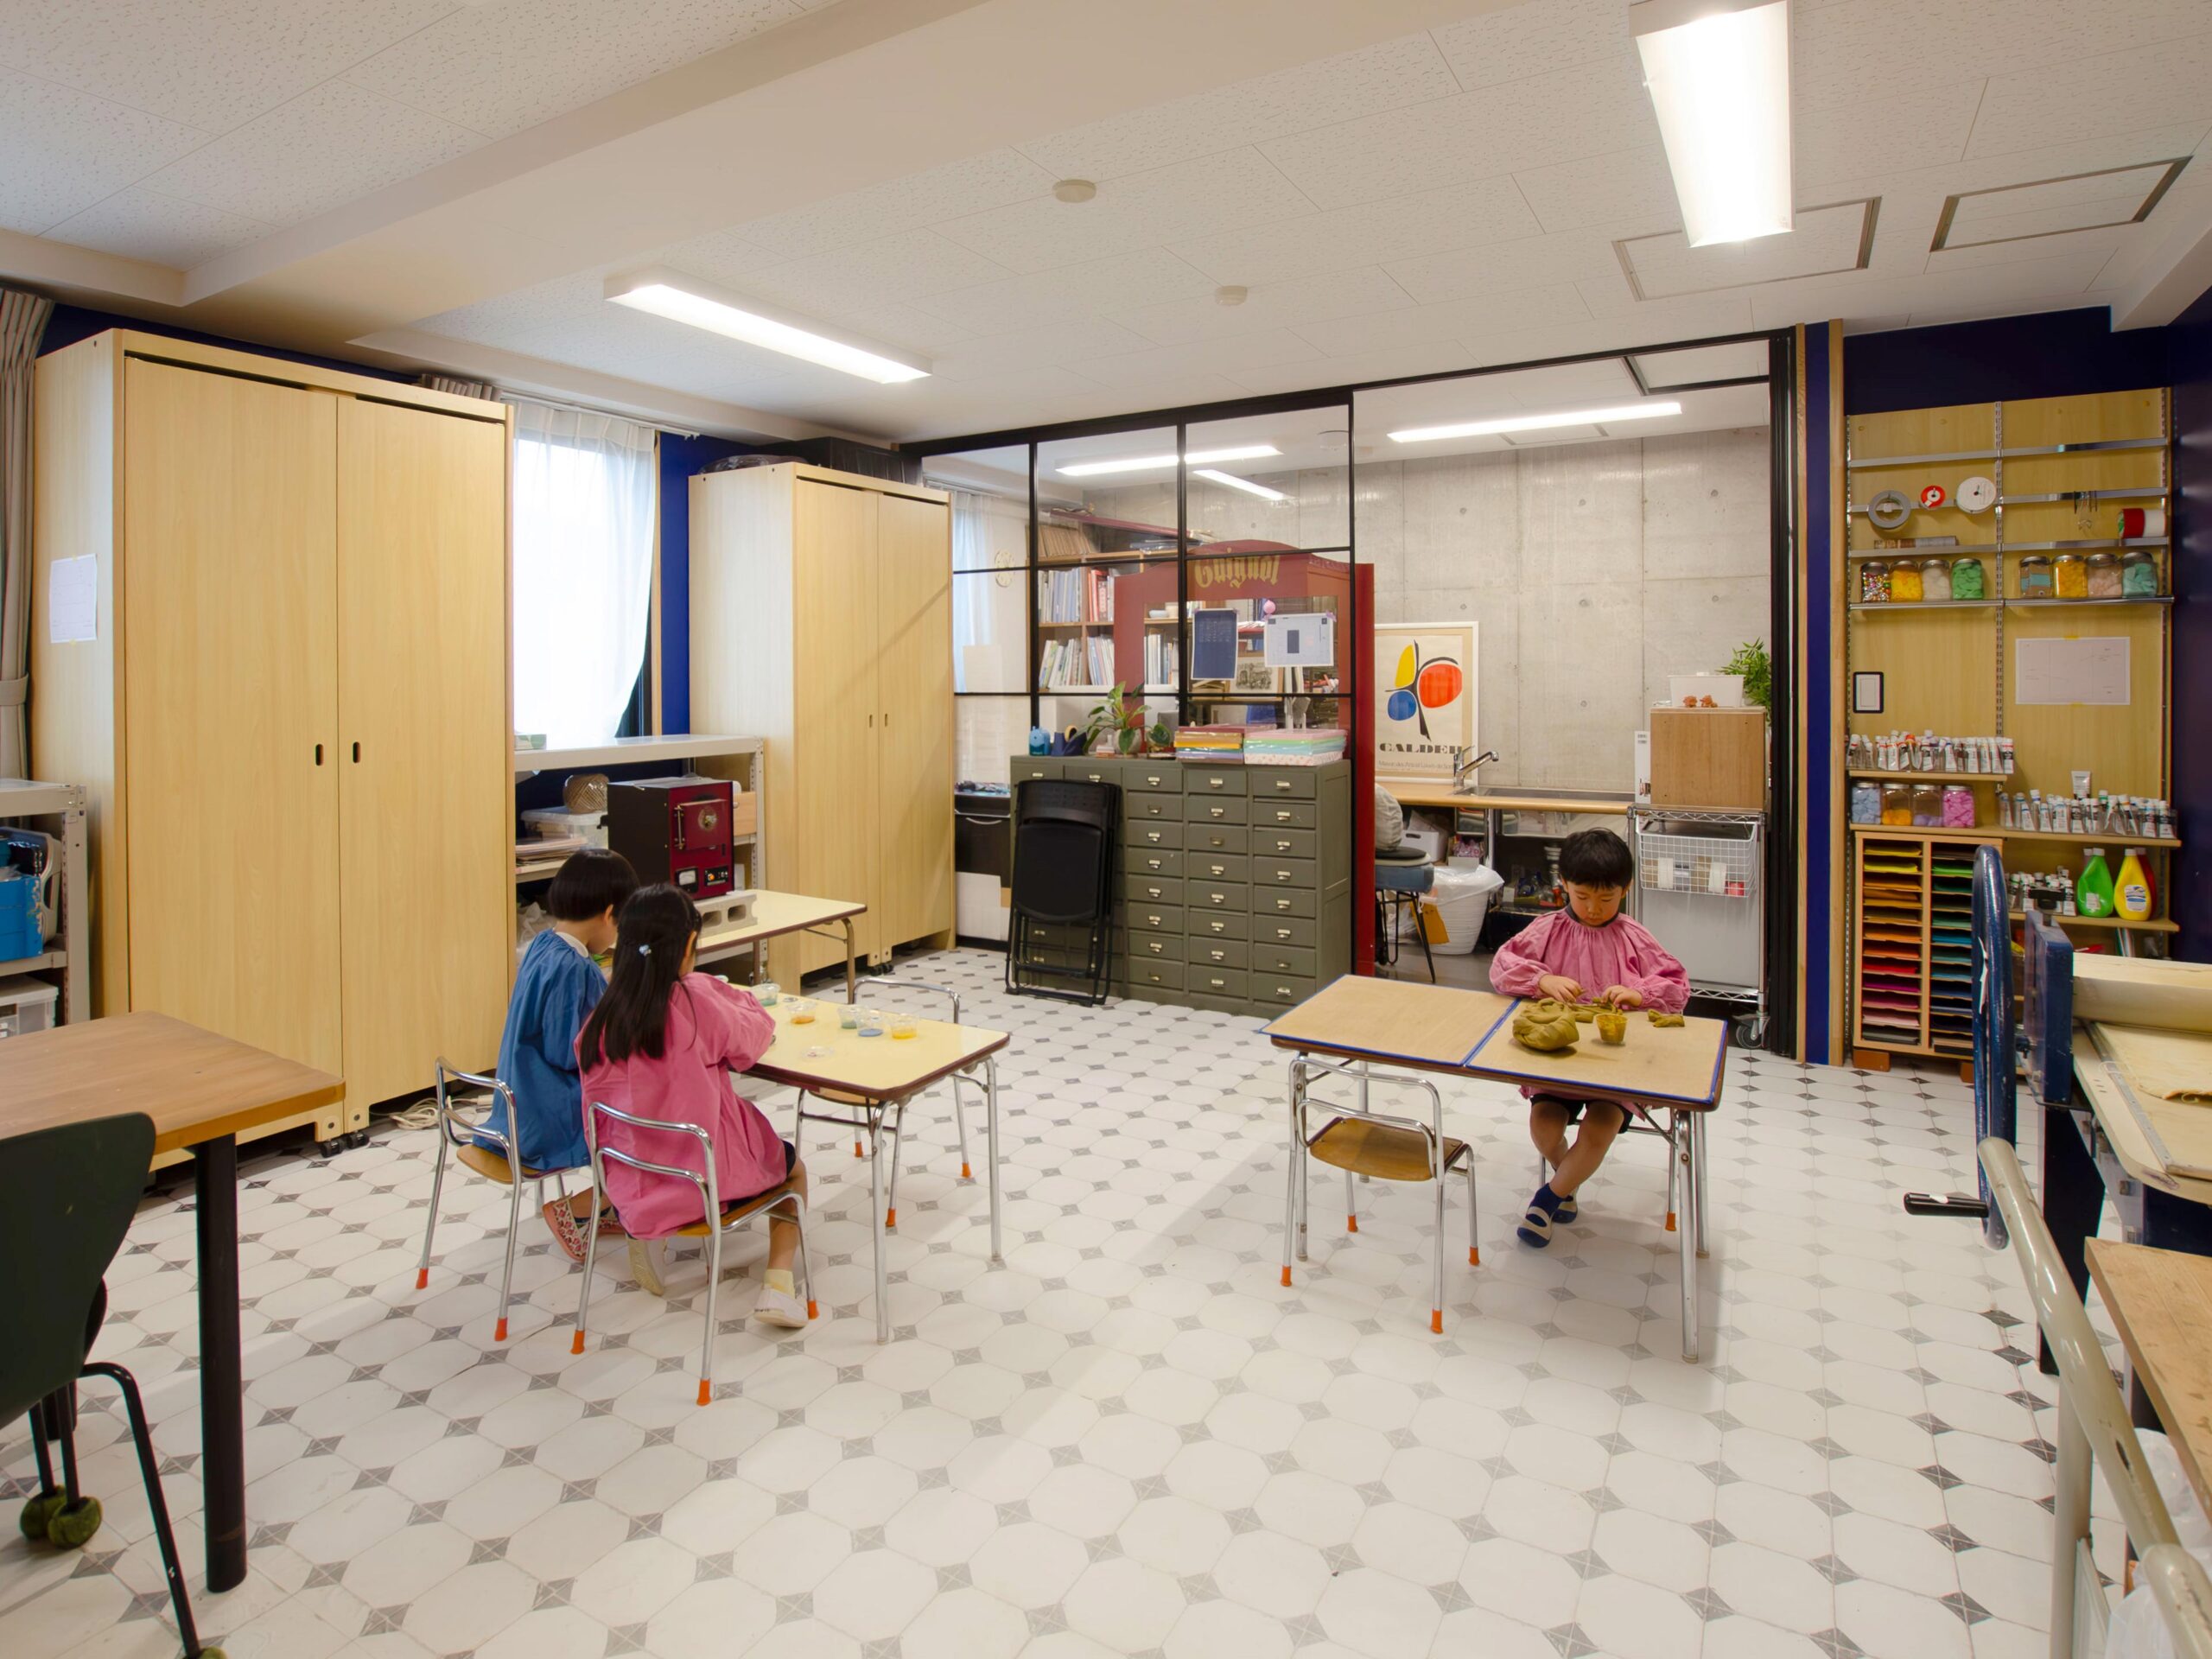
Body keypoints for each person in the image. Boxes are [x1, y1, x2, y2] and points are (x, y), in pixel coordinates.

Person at [577, 884, 810, 1326]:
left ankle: (649, 1231)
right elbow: (752, 1041)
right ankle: (779, 1285)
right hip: (700, 1180)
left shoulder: (599, 1018)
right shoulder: (694, 1000)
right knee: (792, 1169)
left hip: (627, 1179)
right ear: (688, 945)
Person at [1488, 827, 1688, 1249]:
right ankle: (1568, 1182)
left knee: (1598, 1130)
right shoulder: (1546, 929)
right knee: (1544, 1131)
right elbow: (1502, 966)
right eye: (1582, 897)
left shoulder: (1634, 936)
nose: (1594, 909)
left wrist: (1640, 993)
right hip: (1557, 1062)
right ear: (1564, 885)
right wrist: (1542, 980)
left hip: (1615, 1068)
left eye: (1607, 899)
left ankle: (1546, 1200)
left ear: (1625, 890)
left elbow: (1676, 985)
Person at [480, 847, 638, 1261]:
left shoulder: (543, 945)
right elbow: (569, 1053)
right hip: (546, 1113)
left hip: (518, 1103)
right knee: (644, 1119)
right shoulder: (574, 968)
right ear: (609, 914)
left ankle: (606, 1205)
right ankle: (581, 1209)